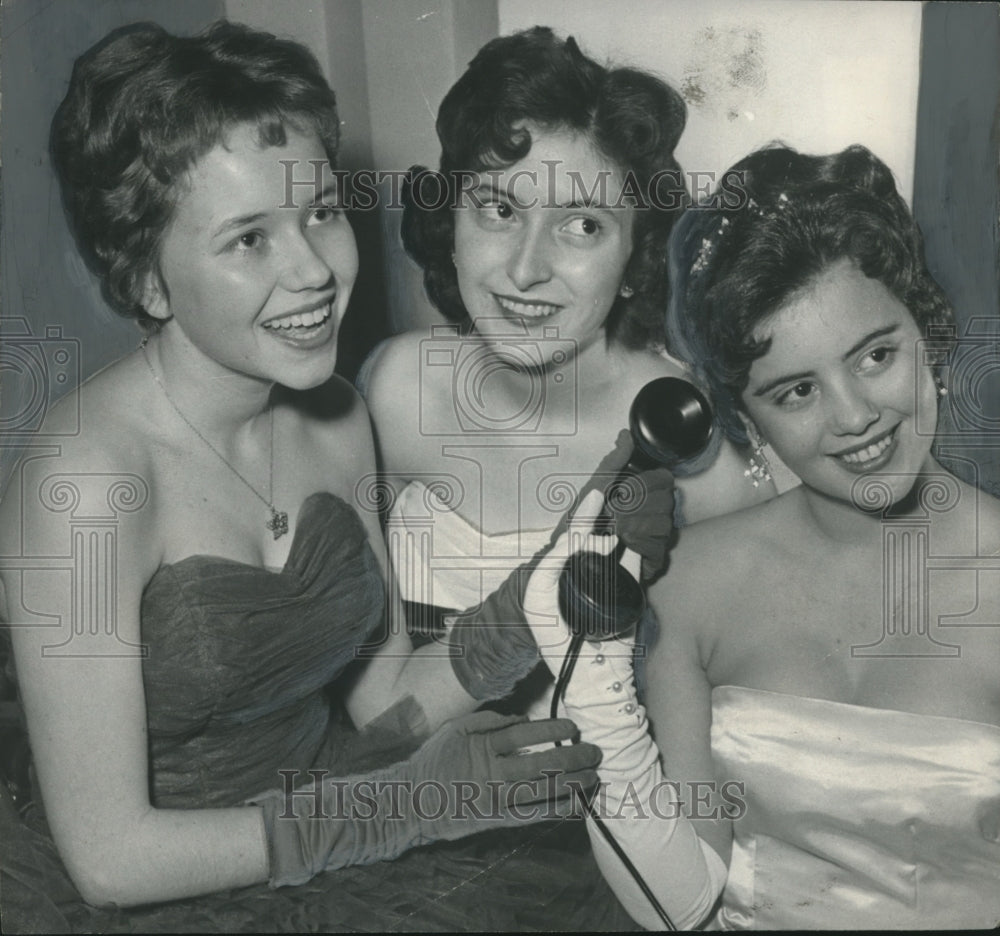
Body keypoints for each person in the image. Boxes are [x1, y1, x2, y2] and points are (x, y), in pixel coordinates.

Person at [0, 21, 628, 932]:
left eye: (322, 213)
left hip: (330, 812)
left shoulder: (334, 413)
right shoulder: (86, 480)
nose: (314, 271)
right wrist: (401, 808)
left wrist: (548, 597)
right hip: (161, 888)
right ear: (146, 279)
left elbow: (382, 707)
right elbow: (108, 859)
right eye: (249, 239)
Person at [522, 143, 1000, 929]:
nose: (853, 417)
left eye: (876, 355)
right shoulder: (692, 585)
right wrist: (591, 670)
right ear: (746, 419)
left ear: (932, 332)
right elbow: (678, 902)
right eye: (798, 390)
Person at [360, 27, 775, 710]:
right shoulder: (394, 389)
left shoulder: (692, 444)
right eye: (498, 209)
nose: (525, 270)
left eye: (582, 225)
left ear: (637, 257)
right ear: (450, 223)